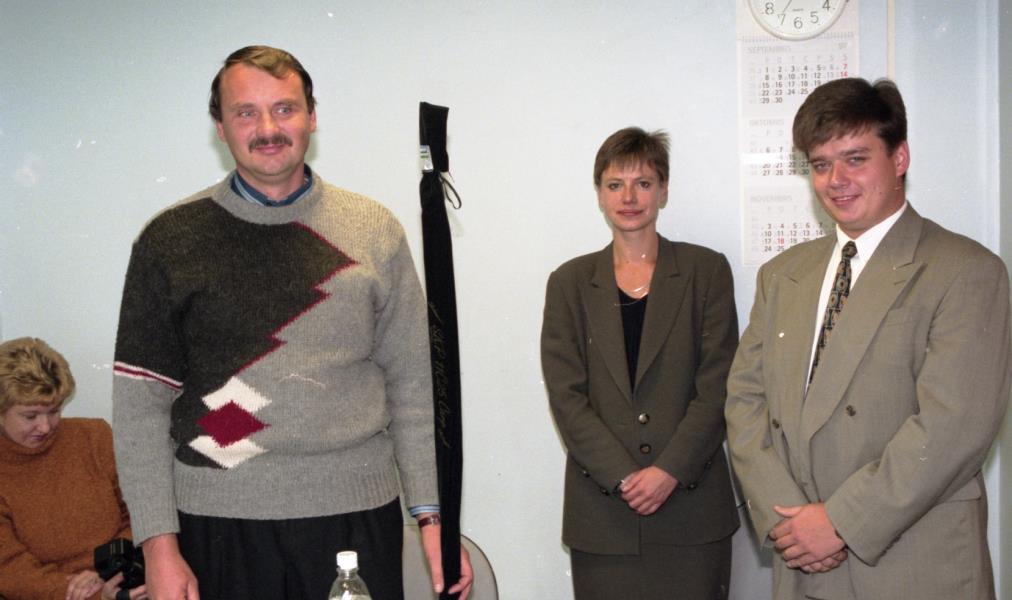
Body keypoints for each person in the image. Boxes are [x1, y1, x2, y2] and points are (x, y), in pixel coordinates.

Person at [112, 46, 471, 600]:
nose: (267, 129)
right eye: (245, 112)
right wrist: (158, 545)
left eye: (284, 108)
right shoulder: (170, 240)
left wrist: (432, 518)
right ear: (219, 127)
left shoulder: (373, 230)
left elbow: (414, 385)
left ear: (312, 116)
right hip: (218, 525)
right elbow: (140, 407)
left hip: (355, 517)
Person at [724, 77, 1011, 599]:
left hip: (912, 562)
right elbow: (745, 402)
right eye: (820, 165)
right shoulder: (782, 275)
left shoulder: (965, 270)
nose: (836, 180)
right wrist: (787, 518)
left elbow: (953, 428)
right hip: (801, 559)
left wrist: (839, 522)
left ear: (900, 157)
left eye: (855, 159)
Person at [540, 127, 740, 599]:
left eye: (643, 183)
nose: (628, 197)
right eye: (615, 184)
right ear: (599, 194)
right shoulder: (569, 282)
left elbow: (719, 386)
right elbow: (567, 397)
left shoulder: (706, 271)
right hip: (603, 514)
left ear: (663, 191)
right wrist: (624, 475)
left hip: (692, 510)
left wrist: (669, 470)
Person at [0, 337, 147, 600]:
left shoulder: (94, 437)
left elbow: (139, 513)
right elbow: (10, 570)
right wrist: (91, 594)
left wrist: (109, 573)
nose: (45, 426)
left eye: (54, 411)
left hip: (123, 579)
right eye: (30, 416)